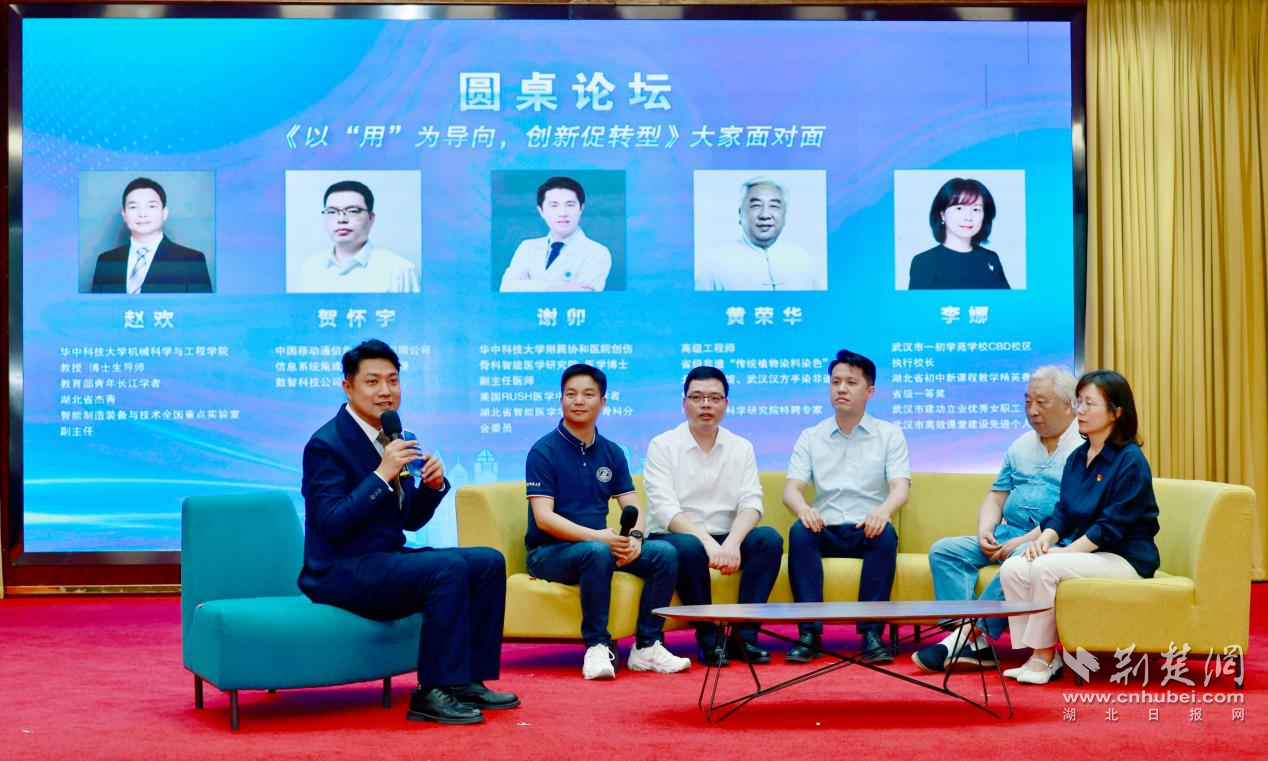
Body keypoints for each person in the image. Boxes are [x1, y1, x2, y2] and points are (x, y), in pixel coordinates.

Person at [297, 339, 517, 724]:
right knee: (446, 567)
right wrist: (381, 474)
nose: (385, 391)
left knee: (487, 561)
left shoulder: (396, 437)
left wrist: (433, 488)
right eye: (372, 382)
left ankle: (467, 680)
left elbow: (409, 520)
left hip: (385, 562)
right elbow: (331, 522)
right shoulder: (326, 445)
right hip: (340, 571)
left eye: (393, 380)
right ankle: (433, 691)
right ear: (348, 387)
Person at [911, 366, 1082, 673]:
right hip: (1008, 533)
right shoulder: (1021, 445)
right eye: (1027, 401)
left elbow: (1070, 513)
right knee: (944, 551)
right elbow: (996, 496)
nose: (1032, 410)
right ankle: (972, 641)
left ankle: (967, 637)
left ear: (1069, 405)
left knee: (1022, 558)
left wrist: (1023, 540)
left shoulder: (1083, 448)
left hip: (1050, 538)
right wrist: (985, 529)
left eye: (1041, 402)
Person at [524, 364, 690, 679]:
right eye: (570, 394)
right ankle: (597, 646)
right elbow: (544, 519)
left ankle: (647, 646)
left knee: (665, 553)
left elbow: (633, 504)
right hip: (549, 553)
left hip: (597, 548)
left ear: (603, 402)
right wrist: (598, 537)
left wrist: (635, 539)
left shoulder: (612, 452)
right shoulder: (543, 452)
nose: (578, 401)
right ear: (561, 399)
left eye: (588, 394)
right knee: (597, 551)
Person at [999, 370, 1161, 685]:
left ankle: (1043, 658)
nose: (1080, 411)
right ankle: (1040, 653)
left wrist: (1065, 553)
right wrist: (1046, 540)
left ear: (1116, 412)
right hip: (1091, 554)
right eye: (1079, 402)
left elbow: (1111, 527)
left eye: (1089, 403)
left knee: (1045, 566)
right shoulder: (1077, 457)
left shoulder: (1130, 460)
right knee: (1014, 568)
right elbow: (1065, 511)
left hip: (1125, 558)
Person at [644, 367, 784, 667]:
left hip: (724, 536)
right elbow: (664, 508)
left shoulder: (741, 447)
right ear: (684, 403)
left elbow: (752, 502)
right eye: (697, 397)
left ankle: (744, 638)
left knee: (769, 539)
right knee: (689, 546)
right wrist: (708, 542)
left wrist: (732, 543)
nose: (705, 405)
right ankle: (710, 640)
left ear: (726, 404)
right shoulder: (662, 445)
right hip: (675, 536)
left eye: (714, 398)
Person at [782, 350, 910, 663]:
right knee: (799, 532)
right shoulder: (811, 436)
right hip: (824, 526)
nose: (841, 388)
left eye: (851, 383)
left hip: (867, 526)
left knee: (885, 535)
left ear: (870, 391)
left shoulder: (889, 434)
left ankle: (871, 634)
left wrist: (883, 512)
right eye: (836, 381)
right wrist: (804, 510)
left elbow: (900, 488)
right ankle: (809, 634)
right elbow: (791, 490)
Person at [696, 177, 825, 291]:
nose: (765, 215)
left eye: (774, 206)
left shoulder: (803, 259)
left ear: (785, 215)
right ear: (740, 214)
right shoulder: (714, 263)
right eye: (756, 205)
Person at [292, 180, 420, 293]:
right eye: (332, 211)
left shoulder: (400, 271)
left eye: (353, 211)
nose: (341, 219)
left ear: (371, 218)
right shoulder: (310, 269)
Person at [90, 177, 211, 293]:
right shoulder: (106, 261)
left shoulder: (191, 261)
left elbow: (202, 307)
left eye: (151, 206)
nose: (142, 214)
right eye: (133, 207)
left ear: (164, 213)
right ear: (124, 215)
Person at [499, 176, 612, 292]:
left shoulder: (597, 253)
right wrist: (555, 288)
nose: (562, 213)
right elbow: (506, 288)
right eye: (554, 205)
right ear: (541, 211)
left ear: (581, 208)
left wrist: (527, 285)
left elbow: (582, 297)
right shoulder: (527, 247)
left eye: (570, 205)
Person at [907, 177, 1010, 290]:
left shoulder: (991, 258)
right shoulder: (923, 262)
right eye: (959, 208)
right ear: (942, 214)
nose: (968, 217)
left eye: (976, 210)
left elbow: (1008, 300)